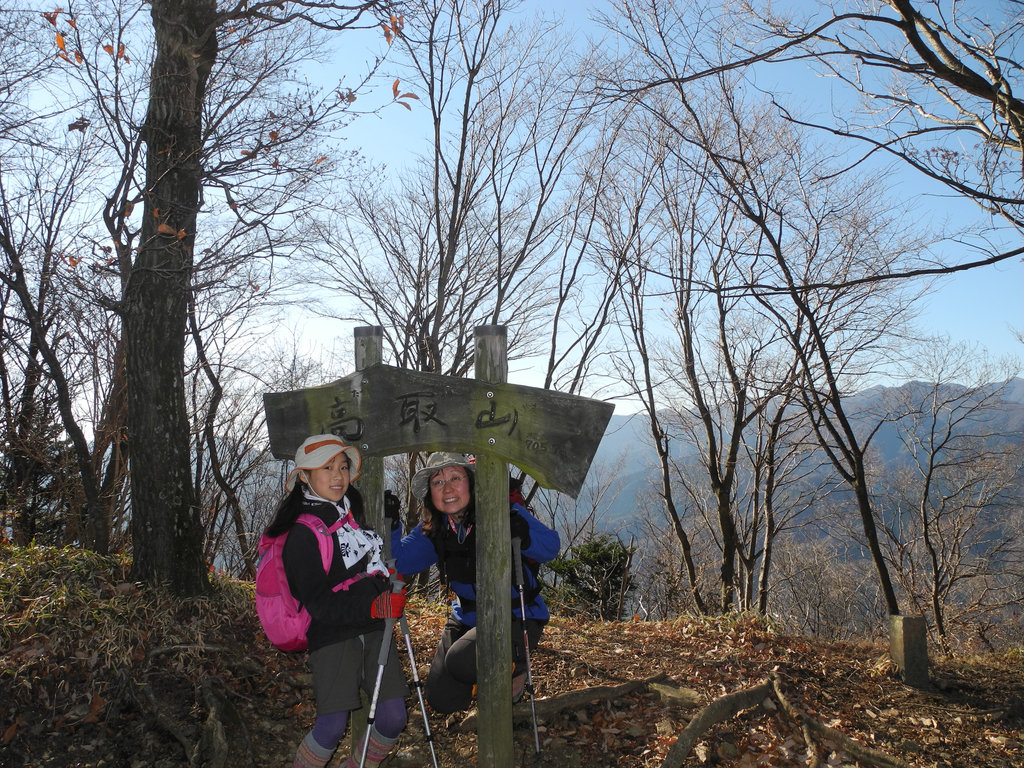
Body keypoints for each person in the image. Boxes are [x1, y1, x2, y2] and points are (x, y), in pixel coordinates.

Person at [263, 434, 409, 768]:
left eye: (342, 466)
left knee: (392, 717)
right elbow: (318, 602)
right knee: (330, 728)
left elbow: (362, 572)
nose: (338, 475)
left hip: (374, 628)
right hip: (332, 636)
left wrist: (387, 585)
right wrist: (371, 606)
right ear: (304, 476)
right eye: (326, 467)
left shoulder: (350, 517)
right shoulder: (301, 534)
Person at [388, 452, 560, 714]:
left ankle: (515, 667)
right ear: (430, 494)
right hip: (466, 617)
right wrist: (390, 524)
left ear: (471, 482)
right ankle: (488, 675)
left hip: (515, 615)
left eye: (455, 477)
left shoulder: (504, 512)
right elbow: (399, 562)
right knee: (442, 699)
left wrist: (523, 534)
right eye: (437, 482)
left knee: (462, 662)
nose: (447, 488)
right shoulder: (436, 529)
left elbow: (550, 548)